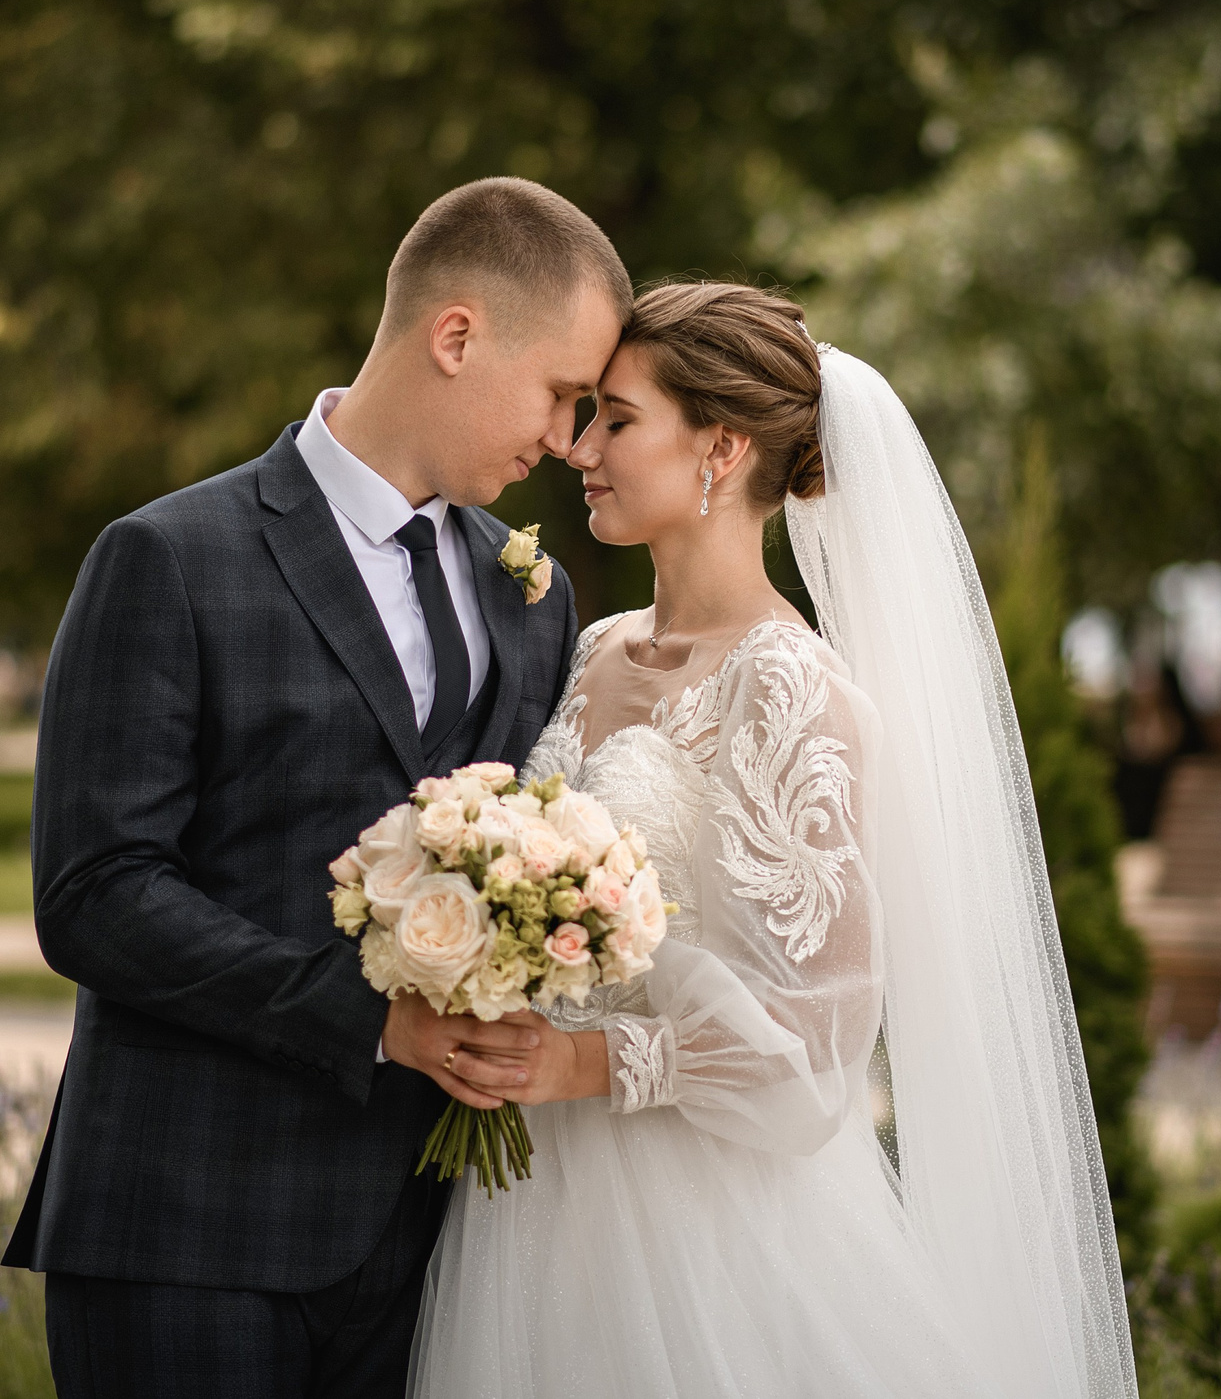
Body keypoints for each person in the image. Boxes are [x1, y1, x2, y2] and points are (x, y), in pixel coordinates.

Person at [408, 282, 1137, 1399]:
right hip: (534, 1200)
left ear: (722, 447)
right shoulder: (595, 646)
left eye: (616, 419)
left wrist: (581, 1063)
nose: (580, 448)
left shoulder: (789, 684)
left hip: (700, 1219)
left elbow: (815, 1047)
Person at [3, 178, 629, 1399]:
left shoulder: (531, 597)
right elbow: (94, 893)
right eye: (562, 394)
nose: (568, 439)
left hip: (436, 1251)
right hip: (188, 1232)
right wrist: (373, 1021)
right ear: (457, 335)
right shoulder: (168, 558)